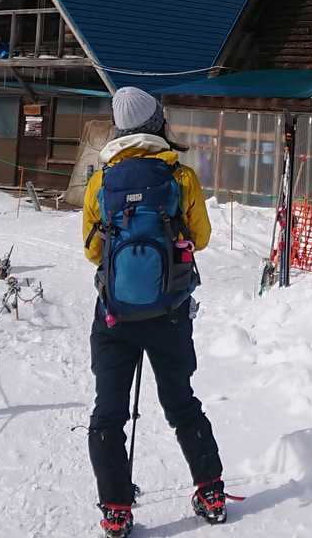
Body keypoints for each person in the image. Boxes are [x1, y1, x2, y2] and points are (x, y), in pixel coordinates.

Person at [82, 86, 227, 535]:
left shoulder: (102, 180)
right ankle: (211, 491)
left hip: (115, 314)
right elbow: (200, 238)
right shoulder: (180, 176)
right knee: (181, 402)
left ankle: (116, 510)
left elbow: (92, 250)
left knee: (109, 412)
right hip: (169, 310)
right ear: (157, 124)